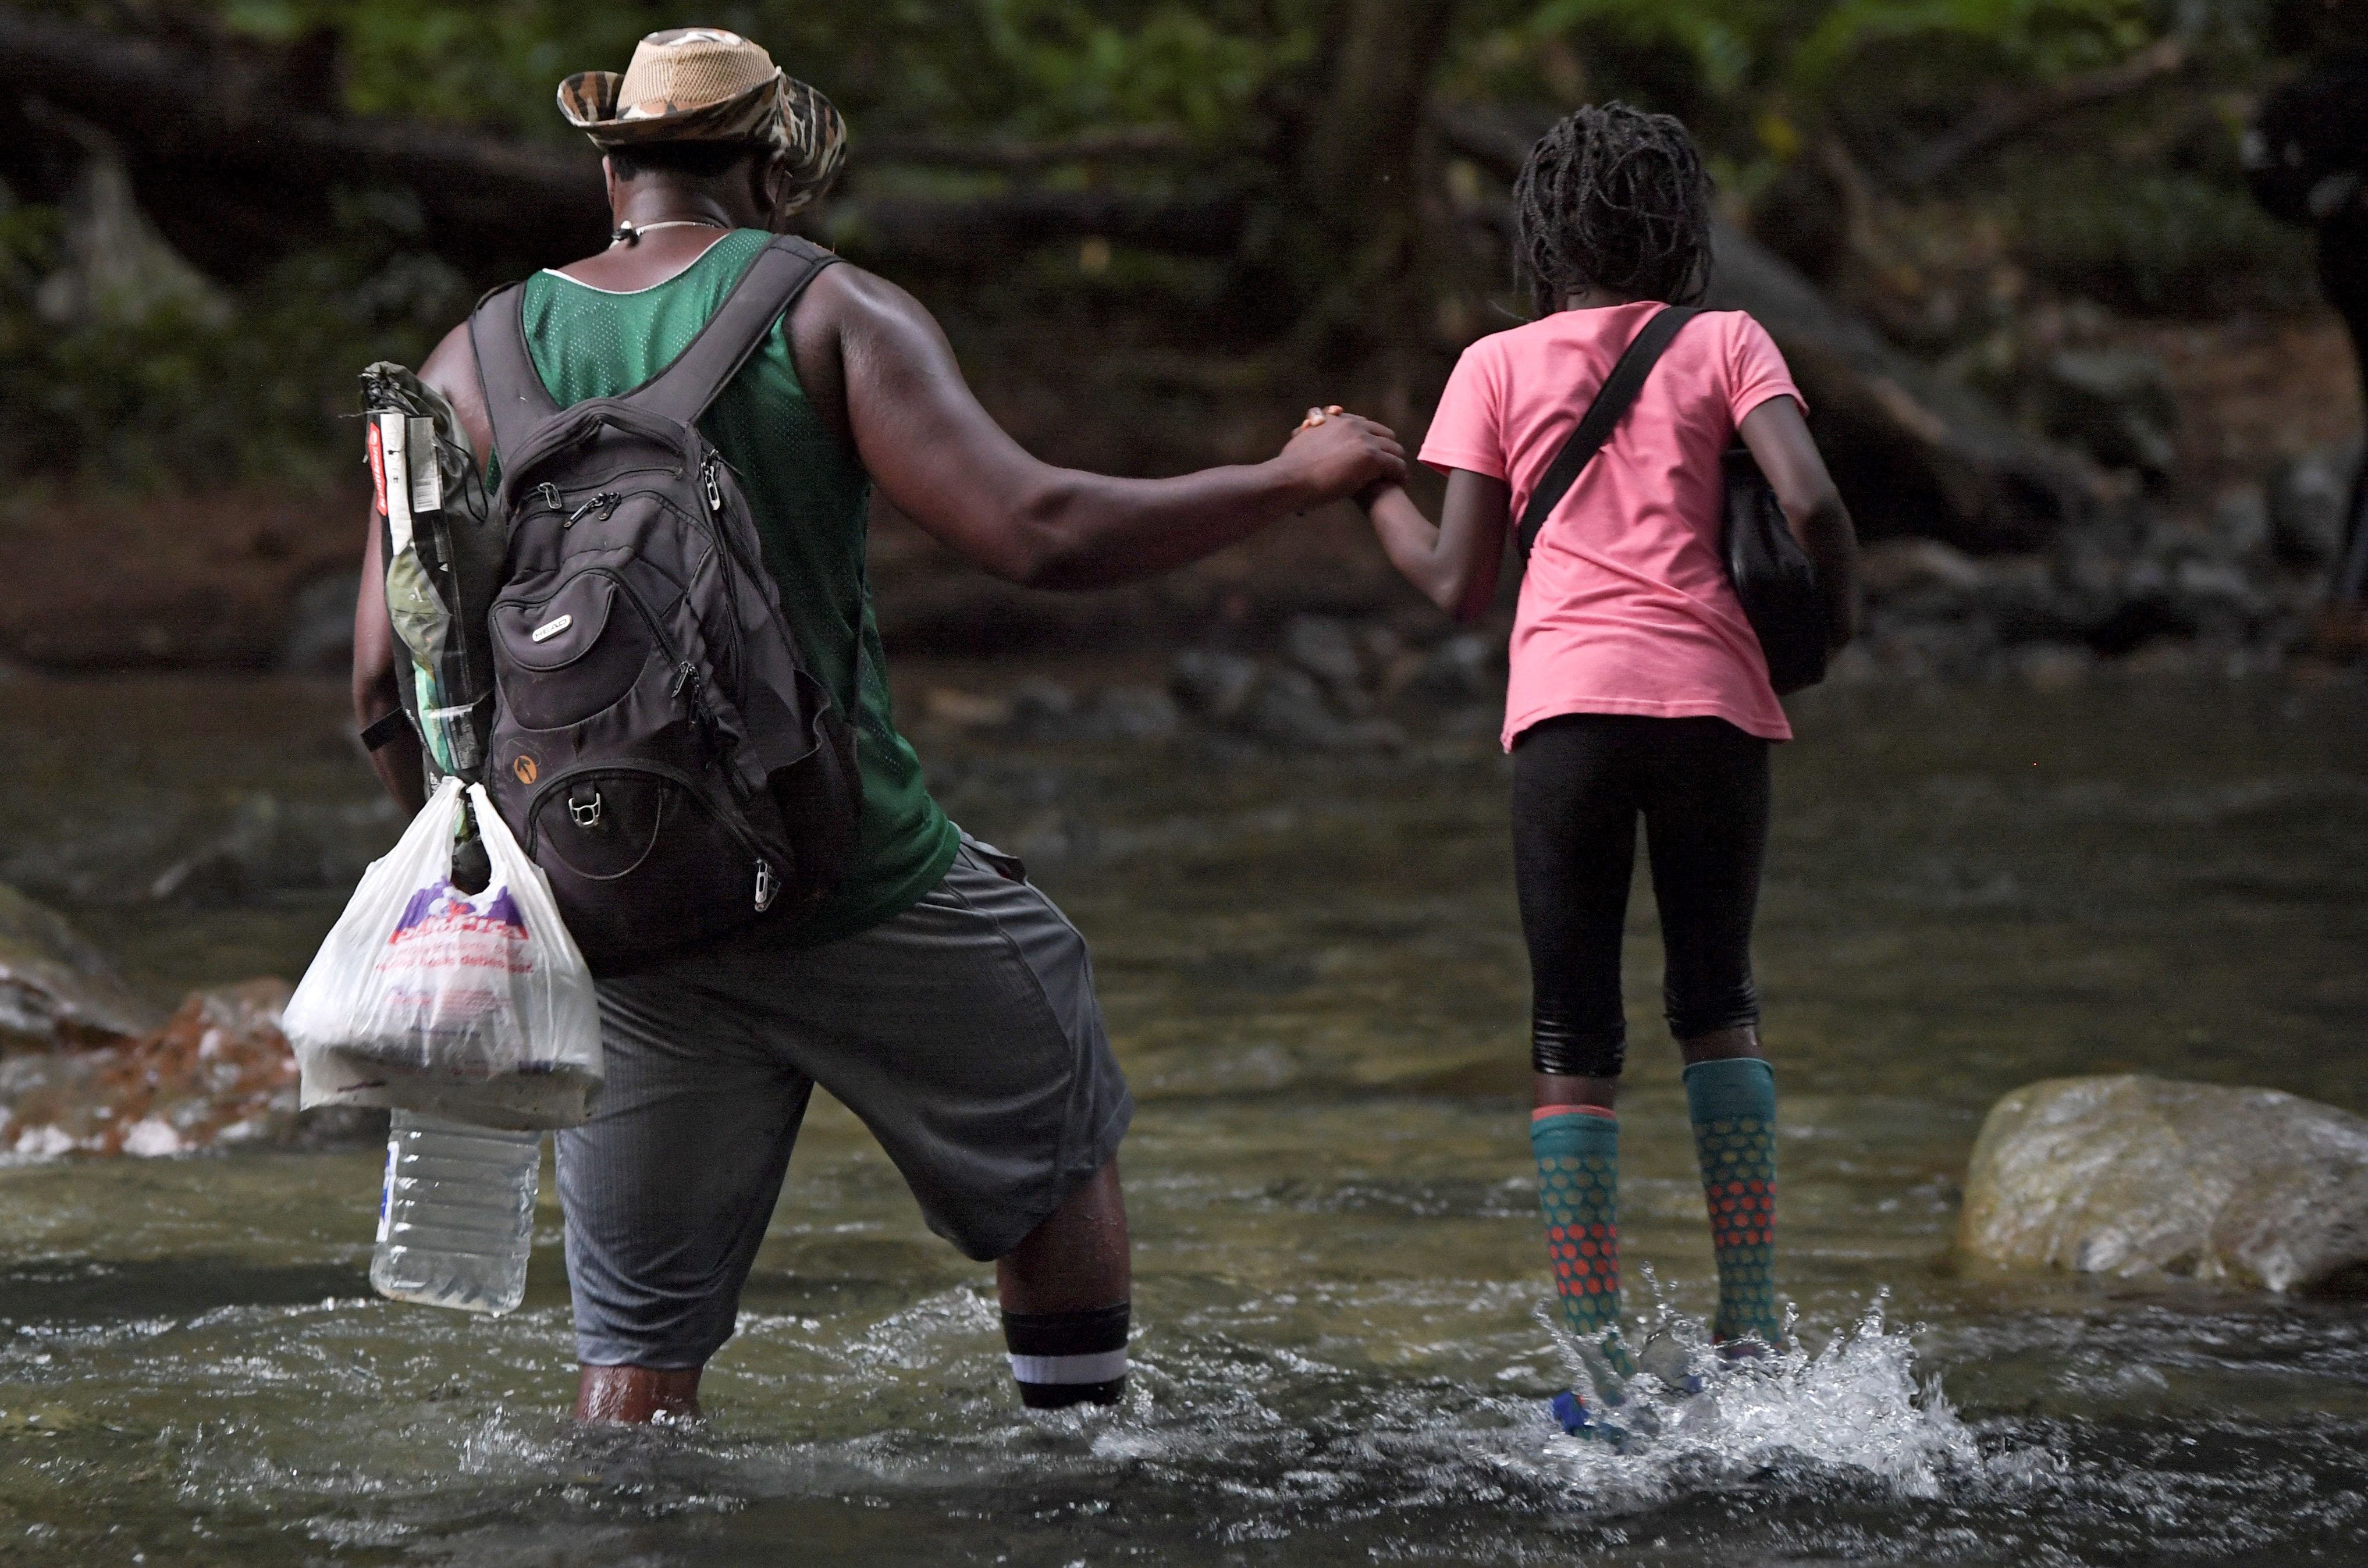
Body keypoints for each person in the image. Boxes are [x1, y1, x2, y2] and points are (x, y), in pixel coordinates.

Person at [349, 27, 1405, 1425]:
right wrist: (1286, 478)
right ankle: (1075, 1459)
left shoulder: (474, 357)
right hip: (855, 881)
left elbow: (380, 678)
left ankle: (626, 1526)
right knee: (1053, 1098)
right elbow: (1036, 533)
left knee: (637, 1347)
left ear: (612, 164)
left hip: (612, 906)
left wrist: (521, 902)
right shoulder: (829, 310)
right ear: (770, 163)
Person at [1352, 104, 1858, 1436]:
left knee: (1573, 1034)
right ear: (1683, 231)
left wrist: (1366, 490)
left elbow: (1456, 584)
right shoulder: (1725, 341)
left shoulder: (1495, 365)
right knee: (1717, 1002)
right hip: (1714, 708)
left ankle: (1598, 1356)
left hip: (1566, 716)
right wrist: (1838, 616)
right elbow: (1805, 501)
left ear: (1541, 235)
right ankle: (1749, 1326)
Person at [2244, 47, 2368, 656]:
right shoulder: (2326, 91)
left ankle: (2345, 603)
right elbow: (2263, 164)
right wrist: (2326, 202)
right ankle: (2346, 605)